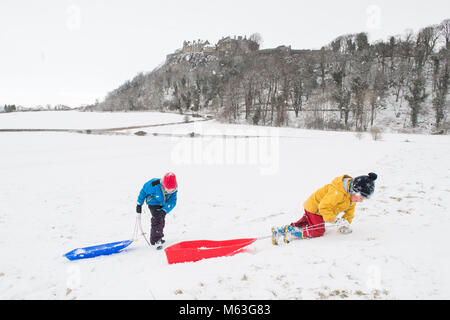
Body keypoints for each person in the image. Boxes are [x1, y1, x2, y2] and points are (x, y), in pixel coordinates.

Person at [272, 172, 378, 244]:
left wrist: (345, 224)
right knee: (317, 231)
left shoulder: (351, 197)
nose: (361, 201)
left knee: (309, 224)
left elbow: (350, 212)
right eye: (361, 197)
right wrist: (335, 220)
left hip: (319, 209)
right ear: (355, 191)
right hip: (315, 208)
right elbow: (324, 207)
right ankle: (290, 231)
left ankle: (282, 230)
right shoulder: (338, 192)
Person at [136, 172, 178, 248]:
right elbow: (143, 192)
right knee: (157, 219)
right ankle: (155, 240)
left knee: (162, 220)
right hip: (153, 202)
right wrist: (139, 204)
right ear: (163, 185)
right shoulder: (153, 184)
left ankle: (159, 237)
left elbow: (172, 202)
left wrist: (164, 210)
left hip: (163, 205)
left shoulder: (174, 190)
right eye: (168, 189)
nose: (169, 191)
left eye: (172, 189)